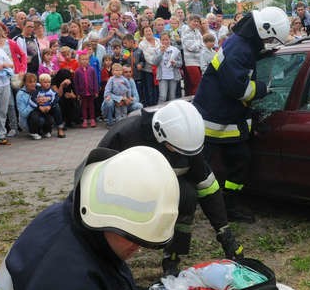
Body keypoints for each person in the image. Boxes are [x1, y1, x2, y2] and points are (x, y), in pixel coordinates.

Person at [0, 146, 180, 290]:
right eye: (131, 236)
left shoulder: (69, 221)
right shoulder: (69, 289)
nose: (137, 247)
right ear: (103, 217)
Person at [98, 100, 244, 276]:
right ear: (160, 135)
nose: (181, 155)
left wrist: (225, 233)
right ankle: (109, 263)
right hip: (123, 193)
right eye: (176, 150)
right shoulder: (125, 135)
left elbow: (207, 188)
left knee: (188, 195)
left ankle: (172, 258)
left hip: (160, 189)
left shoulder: (186, 145)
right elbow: (94, 177)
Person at [193, 7, 289, 223]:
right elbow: (238, 89)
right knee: (201, 169)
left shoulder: (244, 43)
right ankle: (197, 207)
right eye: (272, 39)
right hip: (214, 118)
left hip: (228, 118)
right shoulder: (240, 49)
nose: (270, 43)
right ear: (265, 31)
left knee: (240, 161)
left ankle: (228, 205)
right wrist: (264, 88)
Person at [35, 73, 66, 138]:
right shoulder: (37, 91)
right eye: (45, 82)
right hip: (40, 108)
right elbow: (33, 100)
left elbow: (56, 99)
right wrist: (39, 106)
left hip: (49, 108)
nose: (47, 84)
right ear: (40, 83)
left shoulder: (51, 91)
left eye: (49, 82)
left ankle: (60, 128)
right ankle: (37, 130)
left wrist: (50, 106)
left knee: (57, 107)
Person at [155, 32, 182, 104]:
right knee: (162, 96)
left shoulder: (176, 50)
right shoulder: (157, 50)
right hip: (163, 76)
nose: (165, 42)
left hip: (173, 76)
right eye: (163, 40)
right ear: (160, 41)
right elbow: (154, 62)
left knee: (172, 97)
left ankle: (171, 113)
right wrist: (161, 52)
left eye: (167, 39)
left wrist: (175, 63)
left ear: (170, 40)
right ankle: (159, 112)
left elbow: (180, 64)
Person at [73, 52, 99, 128]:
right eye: (82, 59)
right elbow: (76, 83)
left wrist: (96, 91)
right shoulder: (77, 71)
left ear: (88, 60)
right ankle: (84, 119)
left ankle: (92, 119)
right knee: (84, 106)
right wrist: (77, 93)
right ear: (79, 60)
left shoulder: (92, 70)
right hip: (82, 92)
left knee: (91, 106)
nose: (84, 61)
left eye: (86, 59)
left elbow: (95, 81)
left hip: (91, 92)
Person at [181, 14, 204, 96]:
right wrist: (199, 45)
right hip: (191, 62)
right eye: (194, 21)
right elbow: (191, 47)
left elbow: (203, 44)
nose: (196, 23)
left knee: (194, 84)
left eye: (198, 21)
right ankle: (196, 102)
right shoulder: (186, 31)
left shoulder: (197, 31)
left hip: (199, 61)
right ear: (189, 21)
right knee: (197, 83)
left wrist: (199, 45)